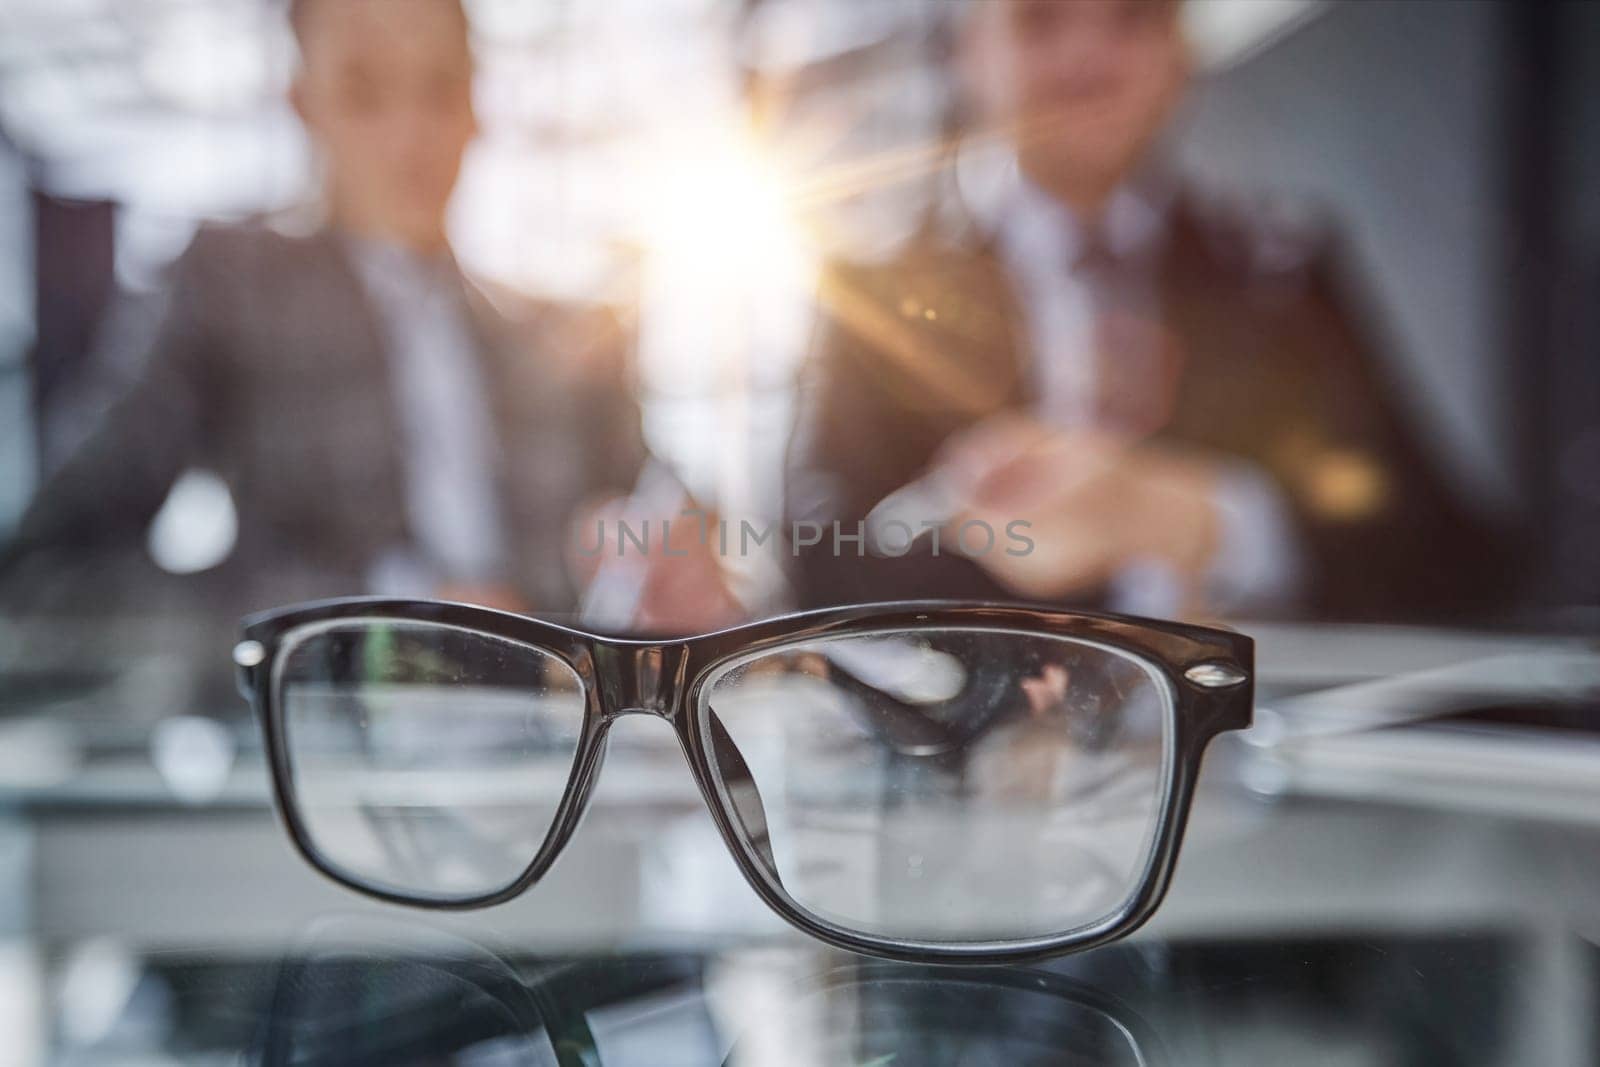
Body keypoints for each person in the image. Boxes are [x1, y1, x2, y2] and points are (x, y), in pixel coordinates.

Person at [787, 0, 1516, 622]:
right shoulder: (877, 295)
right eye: (1039, 20)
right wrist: (950, 511)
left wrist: (1209, 518)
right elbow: (811, 558)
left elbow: (1444, 554)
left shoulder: (1281, 274)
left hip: (1243, 750)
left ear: (1180, 50)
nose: (1088, 58)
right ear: (969, 48)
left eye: (1133, 17)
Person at [0, 0, 644, 619]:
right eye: (364, 92)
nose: (410, 133)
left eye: (440, 88)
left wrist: (664, 561)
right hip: (316, 712)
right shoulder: (228, 289)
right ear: (304, 107)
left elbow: (657, 517)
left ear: (477, 104)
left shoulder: (561, 340)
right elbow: (48, 569)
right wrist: (359, 626)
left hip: (564, 711)